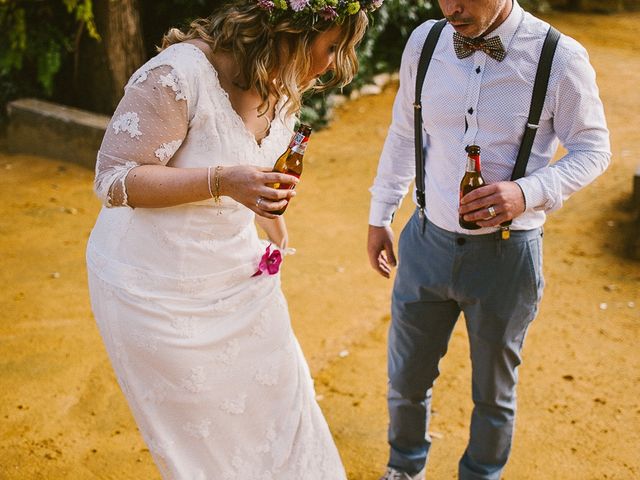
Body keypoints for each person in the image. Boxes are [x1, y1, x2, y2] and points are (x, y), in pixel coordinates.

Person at [86, 0, 383, 478]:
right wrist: (222, 182)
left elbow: (255, 164)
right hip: (154, 291)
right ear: (289, 32)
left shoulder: (280, 78)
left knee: (284, 402)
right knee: (210, 441)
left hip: (238, 274)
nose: (336, 65)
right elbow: (113, 180)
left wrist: (270, 220)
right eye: (331, 48)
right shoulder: (178, 77)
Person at [367, 0, 610, 479]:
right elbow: (404, 132)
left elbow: (594, 148)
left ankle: (481, 474)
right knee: (406, 378)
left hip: (507, 257)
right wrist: (381, 215)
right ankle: (405, 465)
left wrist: (528, 192)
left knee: (493, 393)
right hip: (425, 242)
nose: (452, 7)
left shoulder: (559, 57)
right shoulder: (426, 40)